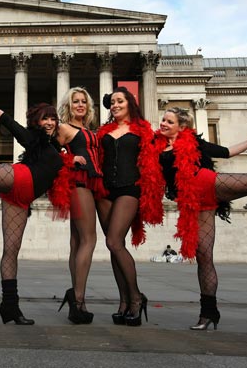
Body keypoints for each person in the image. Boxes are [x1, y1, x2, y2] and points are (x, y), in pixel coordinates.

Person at [152, 107, 247, 330]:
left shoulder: (194, 143)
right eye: (163, 120)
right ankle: (209, 313)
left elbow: (227, 152)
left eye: (169, 122)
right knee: (204, 256)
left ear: (182, 127)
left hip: (207, 183)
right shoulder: (156, 147)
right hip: (194, 203)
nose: (163, 123)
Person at [0, 94, 75, 325]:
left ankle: (10, 306)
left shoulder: (56, 148)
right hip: (18, 178)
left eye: (53, 119)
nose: (49, 122)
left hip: (21, 198)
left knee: (11, 250)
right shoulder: (33, 139)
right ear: (37, 122)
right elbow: (3, 117)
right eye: (45, 119)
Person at [95, 87, 160, 327]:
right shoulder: (104, 131)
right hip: (104, 191)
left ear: (129, 102)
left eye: (119, 101)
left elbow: (158, 159)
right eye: (112, 102)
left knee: (114, 241)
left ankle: (136, 297)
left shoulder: (143, 130)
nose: (115, 105)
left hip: (130, 188)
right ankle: (123, 301)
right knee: (114, 247)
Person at [56, 87, 105, 324]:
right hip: (78, 181)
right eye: (75, 101)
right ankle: (78, 300)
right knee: (89, 239)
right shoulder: (64, 128)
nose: (80, 105)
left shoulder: (88, 129)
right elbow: (48, 152)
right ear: (68, 105)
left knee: (77, 242)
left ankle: (75, 295)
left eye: (83, 101)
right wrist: (69, 158)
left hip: (94, 181)